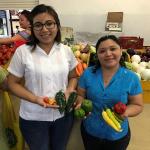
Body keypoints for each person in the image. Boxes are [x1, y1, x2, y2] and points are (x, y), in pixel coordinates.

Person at [7, 4, 78, 150]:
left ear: (57, 25)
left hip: (63, 115)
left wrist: (69, 90)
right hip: (33, 117)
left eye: (49, 23)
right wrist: (35, 99)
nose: (44, 29)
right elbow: (12, 83)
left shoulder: (66, 50)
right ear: (31, 29)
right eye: (38, 25)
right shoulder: (22, 52)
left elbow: (73, 76)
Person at [75, 35, 143, 150]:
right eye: (102, 51)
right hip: (91, 131)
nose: (108, 54)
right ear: (97, 55)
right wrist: (80, 104)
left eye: (113, 49)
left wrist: (126, 112)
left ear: (121, 51)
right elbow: (80, 95)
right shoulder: (87, 74)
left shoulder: (131, 78)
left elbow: (137, 105)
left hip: (117, 134)